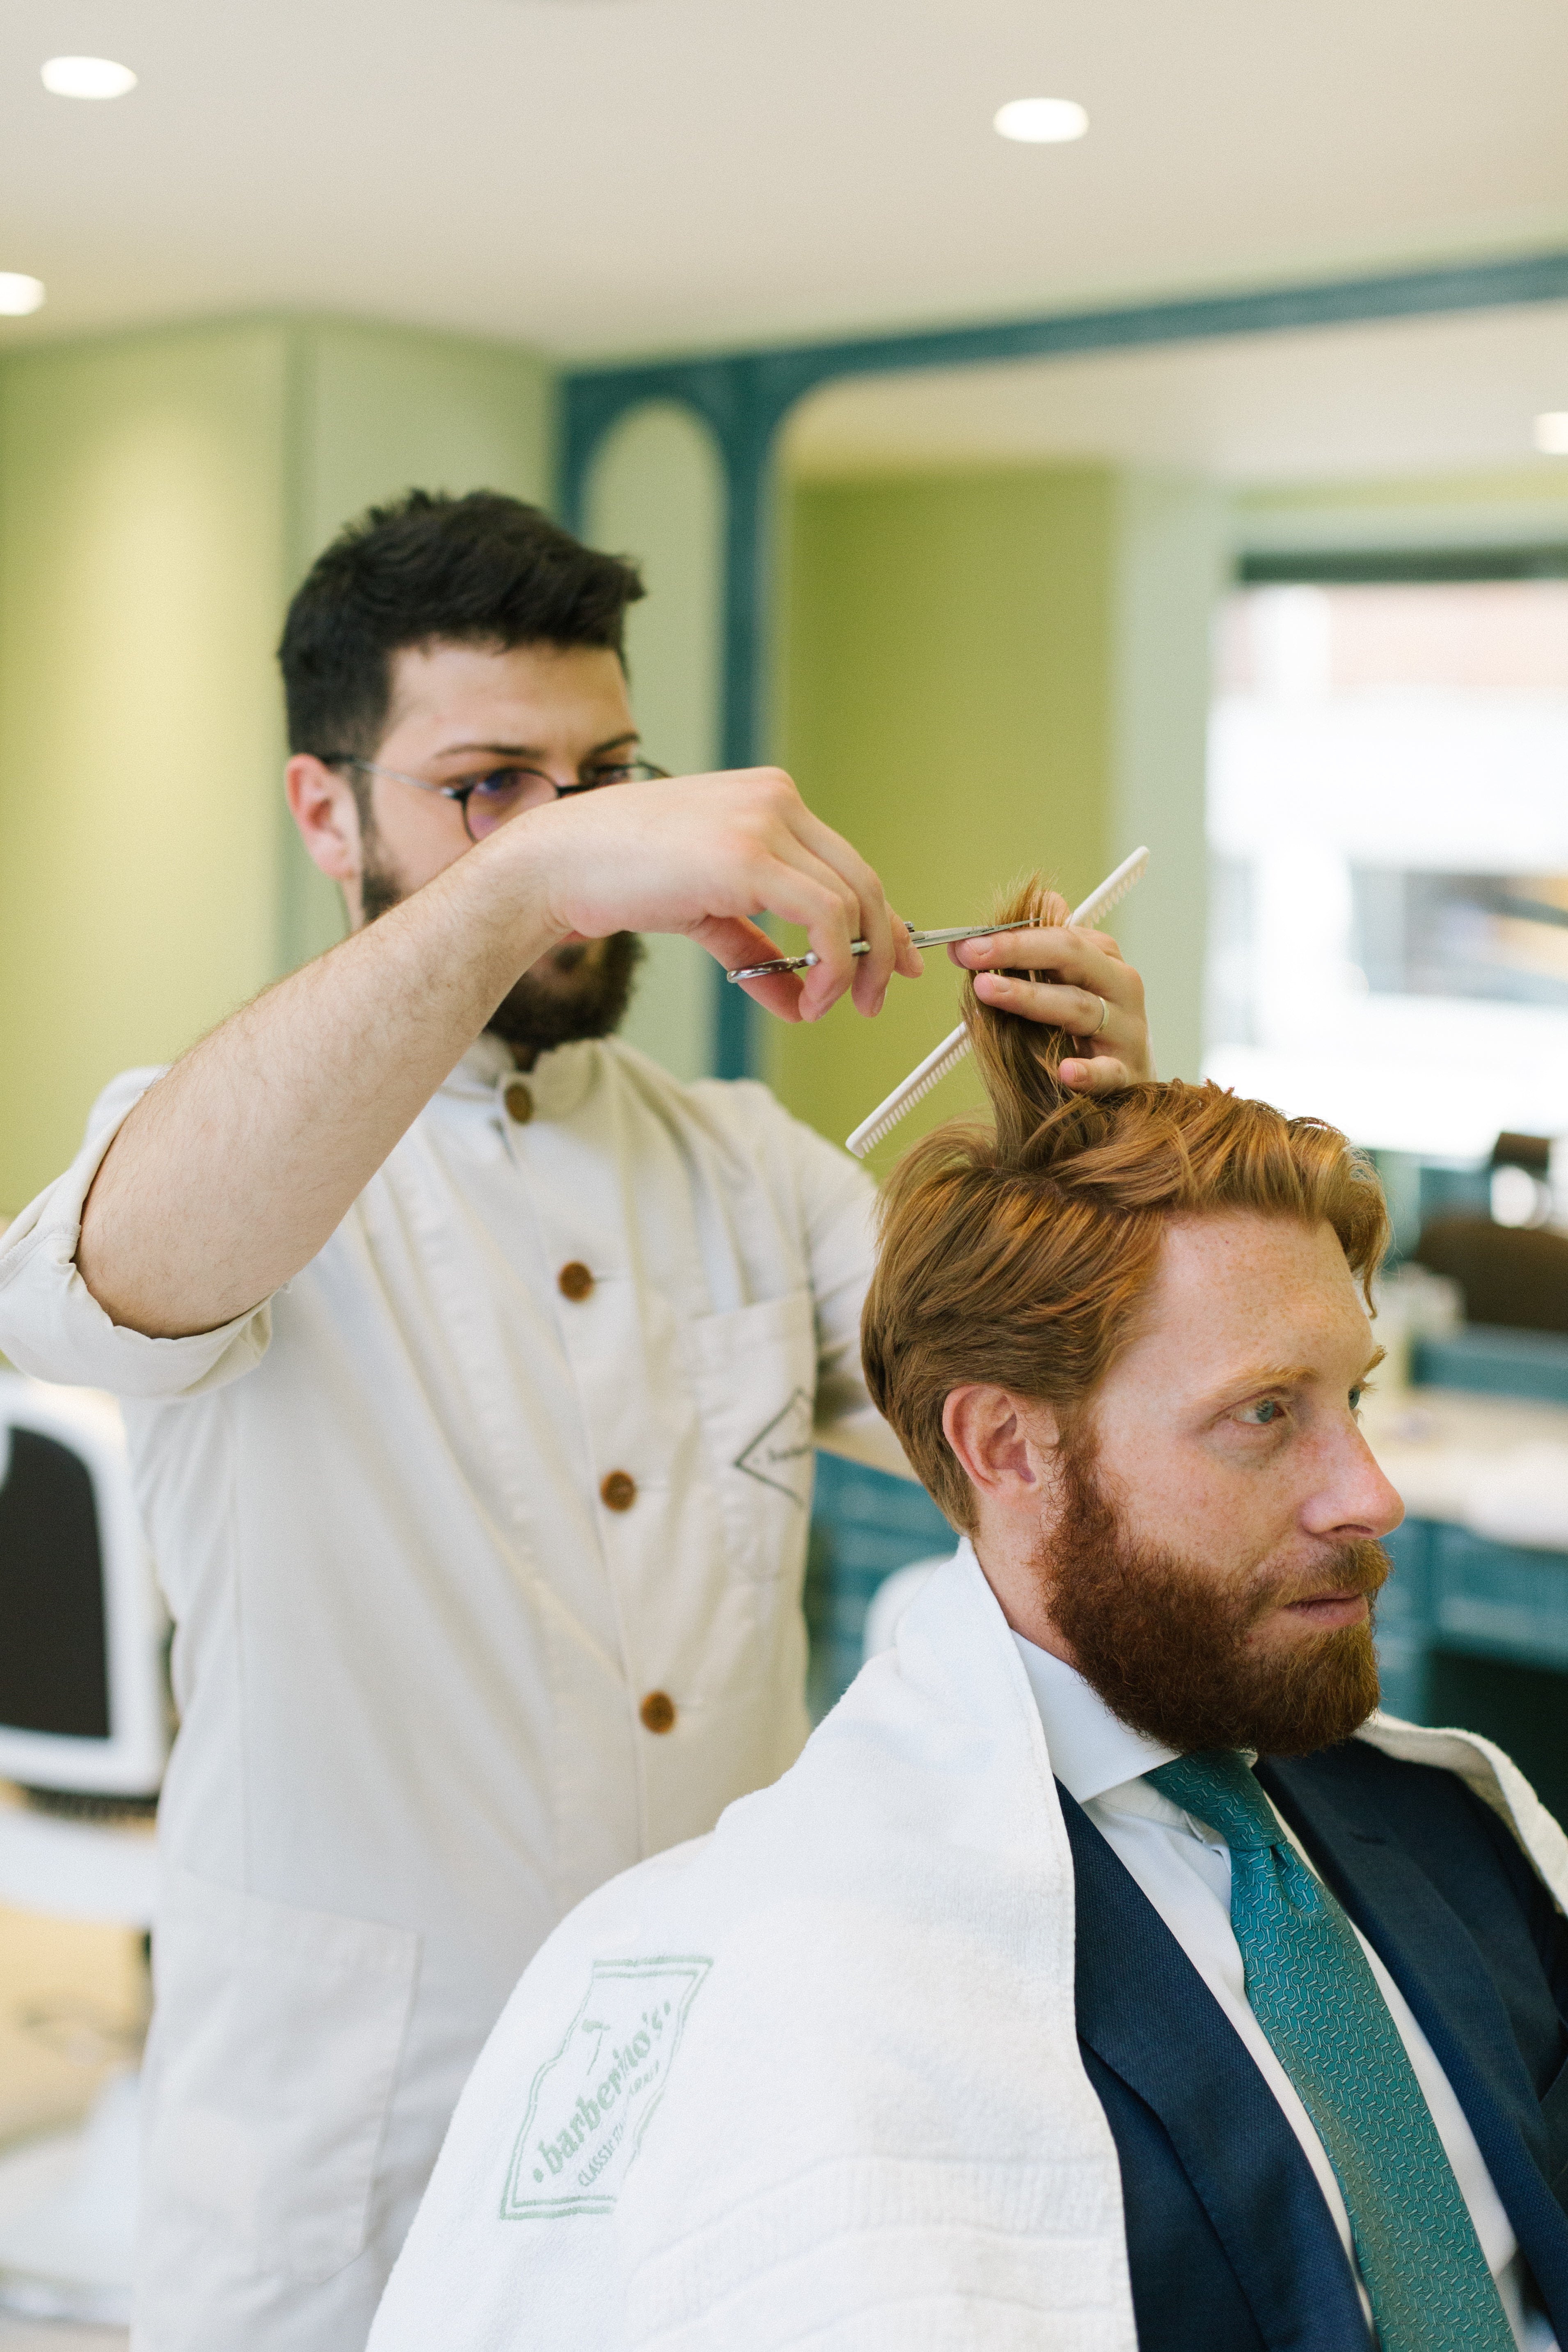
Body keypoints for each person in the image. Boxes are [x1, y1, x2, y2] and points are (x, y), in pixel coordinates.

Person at [0, 496, 1153, 2351]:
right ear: (324, 809)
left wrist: (1095, 1138)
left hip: (718, 2106)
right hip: (352, 2143)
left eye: (606, 776)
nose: (570, 839)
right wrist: (543, 871)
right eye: (486, 786)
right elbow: (101, 1286)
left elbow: (1061, 1450)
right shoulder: (233, 1138)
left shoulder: (744, 1165)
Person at [369, 874, 1568, 2352]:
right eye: (1266, 1415)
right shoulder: (808, 1979)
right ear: (1008, 1447)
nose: (1370, 1492)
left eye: (1352, 1397)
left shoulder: (1455, 1837)